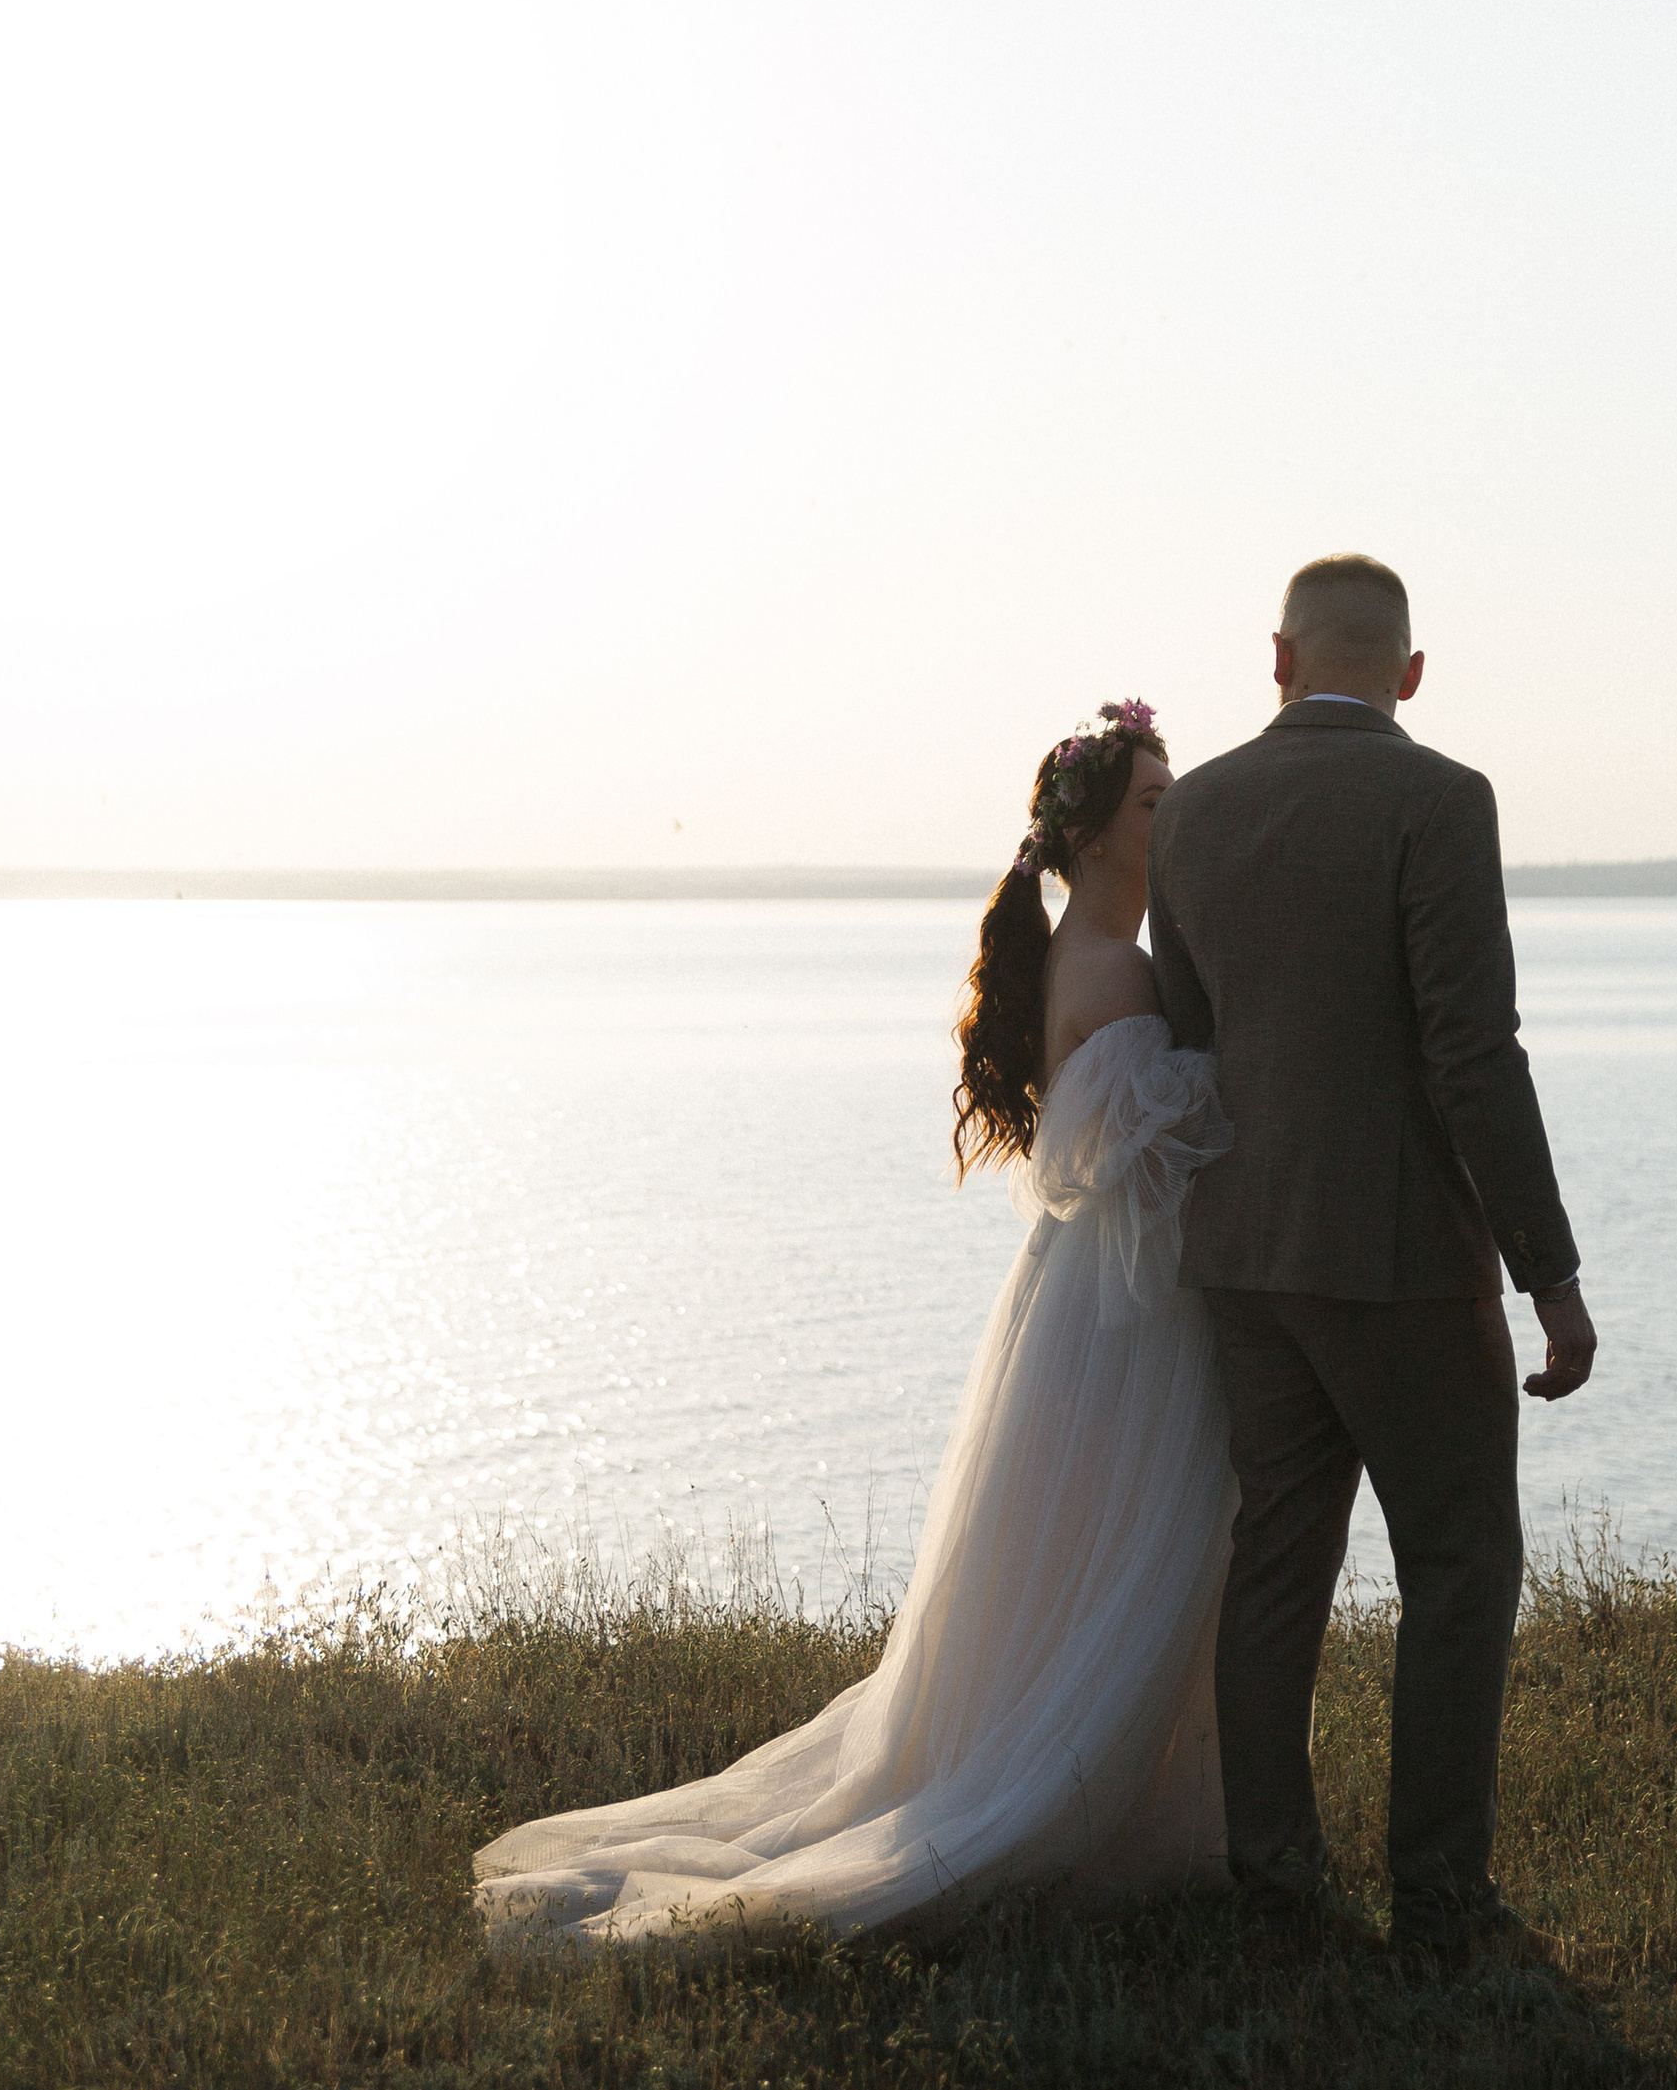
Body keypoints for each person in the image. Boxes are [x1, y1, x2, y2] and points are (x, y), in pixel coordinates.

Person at [474, 700, 1238, 1958]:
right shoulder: (1117, 973)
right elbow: (1152, 1168)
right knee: (1122, 1556)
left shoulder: (1082, 961)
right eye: (1157, 805)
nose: (1177, 820)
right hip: (1121, 1317)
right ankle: (1072, 1805)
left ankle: (1101, 1788)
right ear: (1096, 840)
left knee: (1070, 1565)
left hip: (1077, 1301)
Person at [1147, 551, 1594, 1958]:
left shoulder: (1196, 810)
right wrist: (1551, 1275)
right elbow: (1474, 1053)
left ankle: (1275, 1884)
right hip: (1399, 1255)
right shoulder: (1440, 801)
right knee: (1461, 1563)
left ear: (1277, 660)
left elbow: (1188, 1038)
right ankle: (1441, 1902)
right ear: (1409, 675)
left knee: (1277, 1559)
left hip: (1243, 1249)